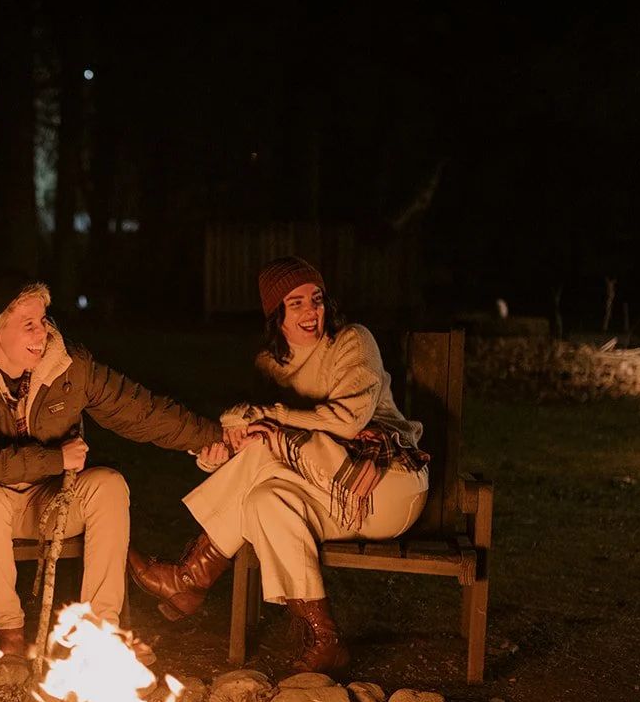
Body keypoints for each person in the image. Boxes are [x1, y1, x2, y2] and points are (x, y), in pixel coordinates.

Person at [126, 256, 430, 677]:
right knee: (264, 502)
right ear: (277, 314)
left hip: (386, 485)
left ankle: (191, 577)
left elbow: (347, 421)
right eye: (296, 302)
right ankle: (325, 641)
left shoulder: (353, 342)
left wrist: (269, 416)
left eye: (317, 300)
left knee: (267, 445)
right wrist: (214, 456)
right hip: (332, 498)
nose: (311, 312)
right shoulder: (271, 365)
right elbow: (260, 440)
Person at [0, 270, 223, 659]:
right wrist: (54, 458)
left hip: (46, 502)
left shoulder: (66, 366)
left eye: (43, 321)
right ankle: (8, 632)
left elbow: (139, 409)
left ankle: (101, 631)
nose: (41, 333)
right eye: (28, 325)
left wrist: (212, 437)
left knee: (108, 484)